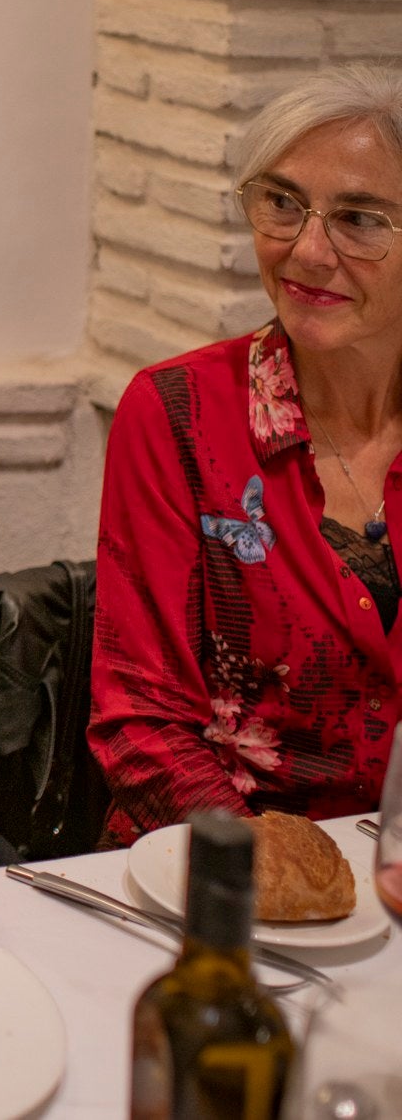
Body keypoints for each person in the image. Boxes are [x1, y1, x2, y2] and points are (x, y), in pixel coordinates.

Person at [90, 64, 402, 844]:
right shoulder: (179, 413)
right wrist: (280, 874)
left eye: (359, 219)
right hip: (211, 878)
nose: (307, 251)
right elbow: (141, 722)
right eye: (282, 204)